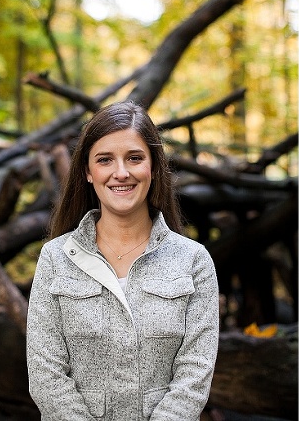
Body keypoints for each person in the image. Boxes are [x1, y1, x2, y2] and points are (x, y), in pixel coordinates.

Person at [27, 101, 219, 421]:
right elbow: (46, 375)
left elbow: (194, 374)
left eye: (134, 158)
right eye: (105, 160)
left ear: (153, 167)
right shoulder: (56, 259)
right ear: (88, 172)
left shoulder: (193, 262)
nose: (121, 172)